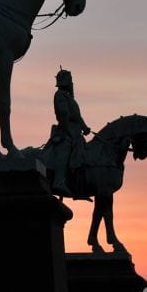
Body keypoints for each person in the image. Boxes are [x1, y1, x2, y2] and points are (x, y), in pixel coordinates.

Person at [50, 68, 91, 196]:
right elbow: (63, 114)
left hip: (75, 130)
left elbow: (77, 116)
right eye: (70, 81)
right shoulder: (60, 95)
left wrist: (84, 127)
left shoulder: (69, 97)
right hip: (65, 130)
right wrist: (68, 131)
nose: (72, 83)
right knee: (66, 147)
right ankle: (59, 181)